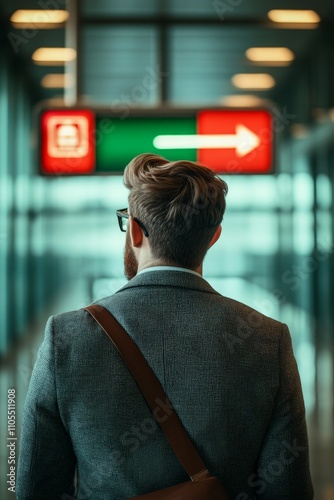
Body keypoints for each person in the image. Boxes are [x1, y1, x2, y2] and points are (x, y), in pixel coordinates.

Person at [17, 153, 313, 499]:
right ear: (214, 236)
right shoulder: (267, 339)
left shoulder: (66, 336)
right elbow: (288, 490)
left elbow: (36, 488)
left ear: (135, 231)